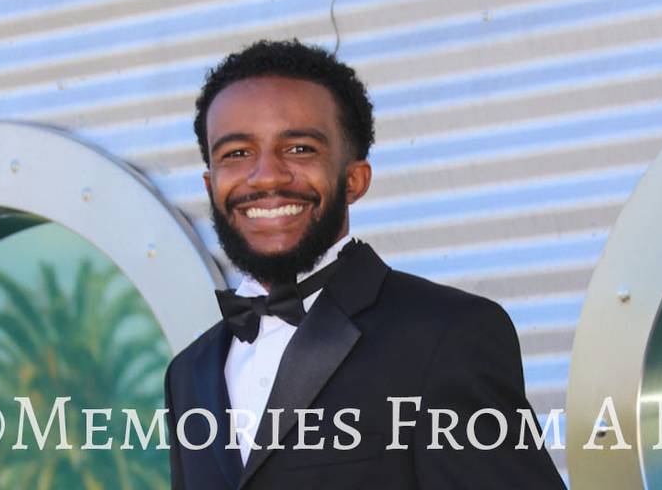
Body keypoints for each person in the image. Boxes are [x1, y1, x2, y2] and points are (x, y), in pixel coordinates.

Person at [164, 39, 565, 489]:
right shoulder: (188, 372)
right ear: (210, 183)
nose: (268, 175)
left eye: (299, 149)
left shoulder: (448, 335)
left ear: (354, 179)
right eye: (236, 154)